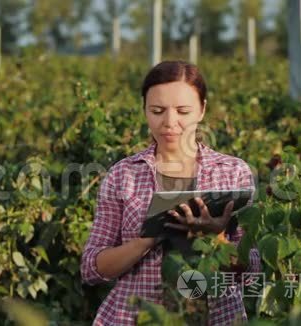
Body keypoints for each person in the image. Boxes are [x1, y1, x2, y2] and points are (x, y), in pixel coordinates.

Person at [80, 60, 261, 325]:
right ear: (144, 111)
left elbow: (252, 270)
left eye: (183, 111)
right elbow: (92, 268)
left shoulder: (232, 173)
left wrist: (217, 238)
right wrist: (145, 241)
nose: (169, 122)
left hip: (218, 317)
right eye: (157, 110)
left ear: (202, 110)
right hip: (132, 317)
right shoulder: (124, 175)